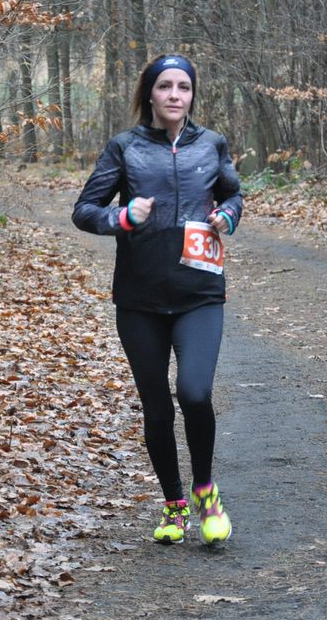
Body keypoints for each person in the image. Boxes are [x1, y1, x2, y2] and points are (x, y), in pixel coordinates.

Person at [72, 54, 243, 545]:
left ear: (192, 94)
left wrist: (227, 217)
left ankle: (205, 490)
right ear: (149, 93)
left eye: (183, 87)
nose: (174, 95)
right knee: (156, 406)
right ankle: (173, 504)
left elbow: (233, 196)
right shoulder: (125, 148)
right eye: (165, 86)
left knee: (194, 393)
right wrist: (123, 217)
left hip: (199, 294)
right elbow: (84, 210)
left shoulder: (211, 144)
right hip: (140, 299)